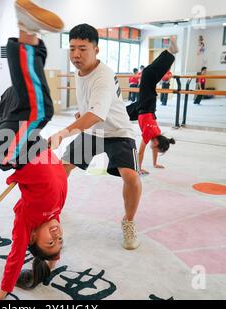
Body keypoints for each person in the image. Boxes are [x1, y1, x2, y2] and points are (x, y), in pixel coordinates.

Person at [0, 0, 66, 300]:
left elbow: (17, 253)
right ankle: (29, 36)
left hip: (11, 151)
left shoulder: (27, 221)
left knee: (40, 110)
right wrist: (52, 260)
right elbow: (49, 180)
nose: (57, 235)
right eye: (60, 240)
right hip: (18, 150)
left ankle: (27, 31)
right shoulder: (57, 209)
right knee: (23, 96)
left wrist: (5, 290)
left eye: (50, 242)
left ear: (32, 236)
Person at [48, 23, 142, 251]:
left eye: (83, 48)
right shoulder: (79, 72)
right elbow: (92, 109)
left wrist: (62, 134)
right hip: (93, 131)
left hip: (118, 132)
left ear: (96, 49)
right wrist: (84, 112)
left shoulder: (104, 76)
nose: (76, 54)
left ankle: (128, 222)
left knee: (130, 176)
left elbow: (96, 113)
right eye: (72, 48)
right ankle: (52, 210)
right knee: (62, 168)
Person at [125, 37, 178, 175]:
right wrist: (138, 169)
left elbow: (152, 149)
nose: (154, 149)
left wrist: (155, 164)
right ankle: (171, 53)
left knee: (122, 113)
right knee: (148, 73)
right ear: (157, 143)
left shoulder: (157, 135)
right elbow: (140, 152)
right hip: (146, 104)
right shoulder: (150, 134)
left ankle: (170, 54)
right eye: (157, 149)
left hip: (146, 106)